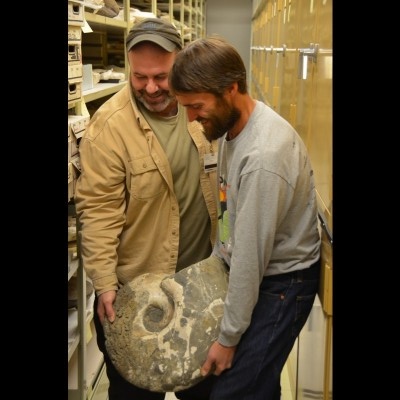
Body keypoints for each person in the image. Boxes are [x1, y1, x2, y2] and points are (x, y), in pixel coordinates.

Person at [169, 35, 321, 400]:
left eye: (196, 106)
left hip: (284, 284)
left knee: (234, 392)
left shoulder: (263, 158)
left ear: (230, 89)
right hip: (251, 269)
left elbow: (251, 259)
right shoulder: (230, 129)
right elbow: (228, 219)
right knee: (247, 384)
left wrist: (228, 338)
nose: (191, 118)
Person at [74, 19, 219, 400]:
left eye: (161, 76)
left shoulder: (201, 108)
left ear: (182, 62)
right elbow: (99, 211)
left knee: (205, 390)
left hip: (199, 285)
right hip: (137, 293)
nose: (151, 88)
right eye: (140, 77)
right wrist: (104, 282)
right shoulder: (109, 127)